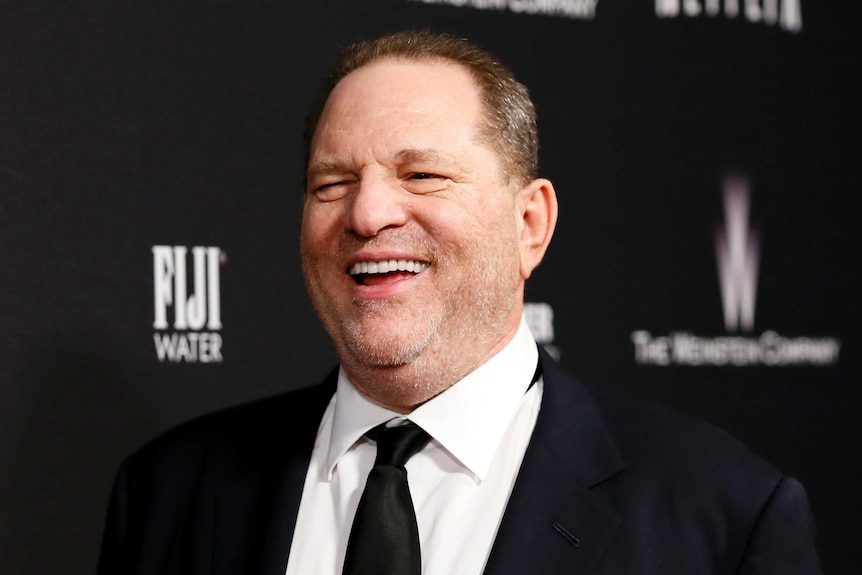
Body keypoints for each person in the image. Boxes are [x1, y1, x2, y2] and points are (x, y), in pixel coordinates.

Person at [97, 31, 822, 574]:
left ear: (529, 223)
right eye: (330, 183)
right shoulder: (170, 492)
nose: (367, 212)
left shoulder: (725, 517)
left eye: (423, 174)